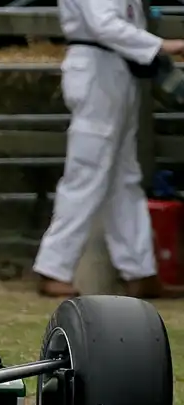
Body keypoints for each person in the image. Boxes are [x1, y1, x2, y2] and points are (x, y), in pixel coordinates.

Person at [33, 0, 184, 298]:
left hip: (116, 69)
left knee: (124, 178)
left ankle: (140, 270)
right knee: (87, 172)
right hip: (98, 70)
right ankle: (54, 268)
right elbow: (103, 24)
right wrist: (161, 45)